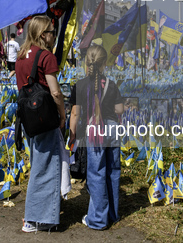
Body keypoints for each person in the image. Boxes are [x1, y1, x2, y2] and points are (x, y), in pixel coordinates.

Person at [15, 16, 67, 233]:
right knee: (47, 166)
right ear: (42, 33)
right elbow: (55, 92)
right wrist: (62, 114)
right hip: (46, 117)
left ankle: (40, 214)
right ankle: (37, 219)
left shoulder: (21, 56)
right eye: (52, 31)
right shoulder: (46, 56)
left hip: (28, 117)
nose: (54, 35)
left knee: (39, 162)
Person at [69, 45, 123, 230]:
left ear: (87, 63)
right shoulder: (112, 84)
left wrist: (72, 135)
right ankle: (113, 214)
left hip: (95, 131)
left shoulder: (80, 85)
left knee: (96, 173)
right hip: (113, 130)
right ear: (104, 63)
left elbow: (75, 114)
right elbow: (119, 110)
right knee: (113, 171)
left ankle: (98, 219)